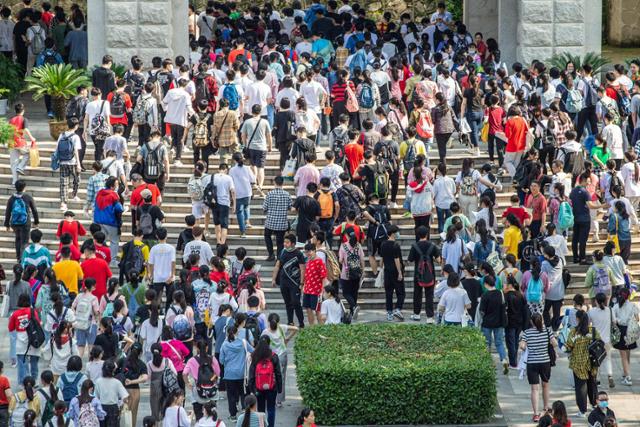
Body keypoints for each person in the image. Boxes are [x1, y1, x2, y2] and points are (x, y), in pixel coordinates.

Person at [520, 313, 556, 423]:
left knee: (534, 389)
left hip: (532, 363)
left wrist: (524, 343)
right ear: (542, 321)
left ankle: (536, 414)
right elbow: (554, 343)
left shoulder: (526, 333)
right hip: (545, 362)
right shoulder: (547, 331)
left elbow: (522, 346)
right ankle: (546, 408)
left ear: (531, 322)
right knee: (545, 385)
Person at [566, 310, 600, 417]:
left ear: (578, 319)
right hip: (592, 362)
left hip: (579, 363)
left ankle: (582, 410)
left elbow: (568, 346)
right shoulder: (593, 331)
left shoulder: (573, 332)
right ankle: (594, 404)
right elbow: (599, 343)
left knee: (581, 386)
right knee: (592, 383)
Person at [219, 325, 253, 422]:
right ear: (237, 332)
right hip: (242, 374)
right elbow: (253, 351)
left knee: (231, 395)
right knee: (243, 393)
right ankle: (245, 412)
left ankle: (233, 416)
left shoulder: (224, 345)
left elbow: (221, 361)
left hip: (229, 374)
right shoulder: (243, 342)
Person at [408, 225, 441, 323]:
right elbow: (439, 260)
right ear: (427, 234)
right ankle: (429, 317)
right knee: (429, 295)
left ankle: (417, 314)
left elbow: (410, 260)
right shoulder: (432, 245)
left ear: (418, 235)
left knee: (417, 294)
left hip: (418, 274)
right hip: (430, 274)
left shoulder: (414, 246)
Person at [247, 336, 282, 427]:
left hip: (258, 388)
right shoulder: (273, 356)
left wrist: (252, 388)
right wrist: (279, 388)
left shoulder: (255, 356)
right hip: (272, 387)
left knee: (261, 409)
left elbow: (251, 374)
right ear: (269, 343)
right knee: (271, 409)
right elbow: (278, 373)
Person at [272, 234, 306, 328]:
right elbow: (277, 266)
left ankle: (301, 322)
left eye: (287, 242)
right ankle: (290, 321)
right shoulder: (283, 252)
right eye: (284, 242)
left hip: (295, 283)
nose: (285, 244)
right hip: (284, 282)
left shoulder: (299, 254)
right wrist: (274, 279)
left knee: (296, 302)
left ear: (293, 244)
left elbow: (302, 269)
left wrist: (302, 283)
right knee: (288, 303)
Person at [4, 179, 39, 262]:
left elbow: (8, 211)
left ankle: (18, 258)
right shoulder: (28, 197)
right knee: (25, 241)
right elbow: (34, 210)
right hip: (25, 223)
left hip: (14, 222)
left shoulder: (11, 198)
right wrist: (36, 222)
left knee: (18, 239)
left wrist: (7, 224)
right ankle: (23, 259)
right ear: (24, 188)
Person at [479, 276, 508, 374]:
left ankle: (487, 363)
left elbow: (482, 311)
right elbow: (504, 306)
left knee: (487, 343)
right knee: (499, 343)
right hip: (499, 322)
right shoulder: (500, 293)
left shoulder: (485, 295)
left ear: (486, 284)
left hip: (487, 322)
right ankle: (503, 359)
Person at [8, 294, 40, 384]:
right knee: (34, 361)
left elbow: (11, 328)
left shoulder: (15, 314)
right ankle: (34, 380)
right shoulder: (32, 311)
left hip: (21, 340)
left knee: (22, 362)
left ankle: (23, 382)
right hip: (33, 338)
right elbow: (38, 323)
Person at [612, 288, 638, 386]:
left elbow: (614, 321)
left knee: (623, 356)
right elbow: (637, 318)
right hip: (630, 330)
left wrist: (619, 320)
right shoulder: (632, 305)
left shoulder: (615, 306)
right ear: (629, 295)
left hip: (621, 330)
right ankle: (625, 372)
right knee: (627, 353)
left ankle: (628, 377)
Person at [263, 176, 292, 262]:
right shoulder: (287, 194)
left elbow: (264, 208)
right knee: (280, 242)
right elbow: (290, 208)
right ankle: (279, 258)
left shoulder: (269, 194)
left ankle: (271, 254)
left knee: (267, 236)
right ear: (283, 183)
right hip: (282, 223)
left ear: (274, 183)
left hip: (270, 222)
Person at [8, 103, 36, 185]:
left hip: (11, 142)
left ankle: (14, 182)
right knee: (28, 153)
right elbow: (26, 130)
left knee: (13, 163)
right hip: (20, 142)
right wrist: (32, 138)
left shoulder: (11, 120)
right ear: (23, 111)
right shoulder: (24, 119)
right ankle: (21, 167)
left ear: (15, 110)